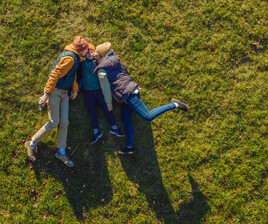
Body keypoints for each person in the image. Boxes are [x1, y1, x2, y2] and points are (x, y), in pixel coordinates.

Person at [93, 42, 188, 155]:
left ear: (101, 54)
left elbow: (106, 89)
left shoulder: (102, 70)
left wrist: (109, 103)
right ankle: (130, 147)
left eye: (96, 52)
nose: (94, 53)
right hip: (129, 93)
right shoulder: (114, 58)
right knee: (126, 120)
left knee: (148, 116)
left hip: (129, 96)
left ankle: (174, 104)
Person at [24, 36, 90, 167]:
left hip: (64, 93)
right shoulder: (70, 58)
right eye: (86, 50)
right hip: (55, 92)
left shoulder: (76, 57)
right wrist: (47, 93)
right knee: (54, 122)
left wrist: (75, 89)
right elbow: (54, 74)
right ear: (80, 49)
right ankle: (31, 143)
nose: (87, 52)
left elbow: (73, 75)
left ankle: (61, 151)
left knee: (64, 122)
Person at [79, 44, 124, 144]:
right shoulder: (81, 64)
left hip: (99, 91)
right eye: (87, 52)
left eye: (92, 51)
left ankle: (114, 127)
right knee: (92, 112)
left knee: (107, 109)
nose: (90, 54)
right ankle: (96, 132)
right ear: (84, 54)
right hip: (88, 93)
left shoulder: (97, 62)